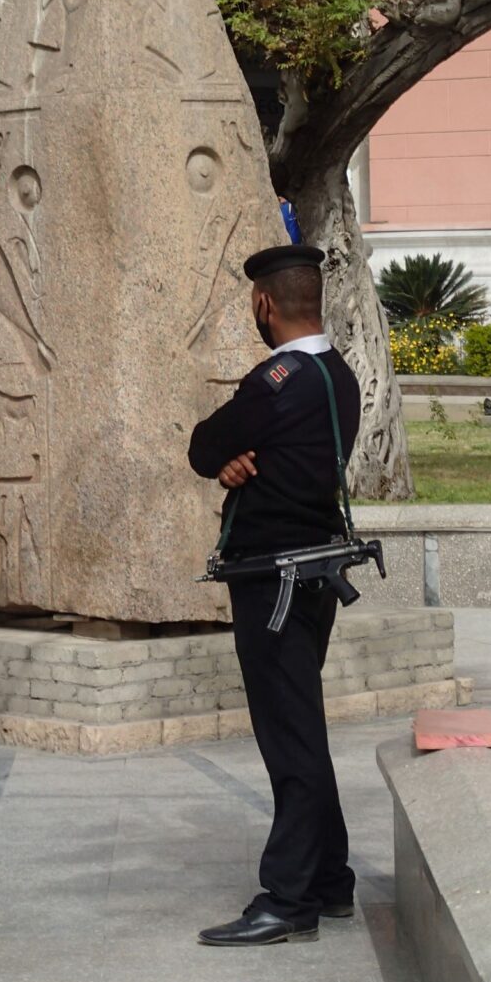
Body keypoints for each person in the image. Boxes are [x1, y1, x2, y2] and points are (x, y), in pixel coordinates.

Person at [188, 245, 361, 946]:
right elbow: (240, 454)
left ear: (264, 304)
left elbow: (203, 447)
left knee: (289, 738)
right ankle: (329, 880)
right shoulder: (337, 376)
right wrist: (240, 461)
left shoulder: (276, 379)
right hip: (313, 574)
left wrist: (227, 458)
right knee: (303, 728)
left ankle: (288, 899)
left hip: (274, 581)